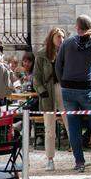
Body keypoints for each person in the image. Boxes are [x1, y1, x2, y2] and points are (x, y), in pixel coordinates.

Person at [55, 15, 91, 171]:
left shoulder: (67, 43)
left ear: (77, 27)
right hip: (85, 88)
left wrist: (63, 81)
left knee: (73, 126)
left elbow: (58, 65)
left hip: (68, 87)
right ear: (89, 28)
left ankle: (79, 162)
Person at [35, 27, 65, 171]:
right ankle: (50, 159)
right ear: (52, 37)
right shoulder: (41, 54)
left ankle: (79, 158)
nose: (61, 39)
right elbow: (36, 77)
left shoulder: (65, 52)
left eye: (62, 37)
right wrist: (41, 91)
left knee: (70, 122)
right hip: (48, 91)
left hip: (62, 89)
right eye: (58, 36)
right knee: (49, 127)